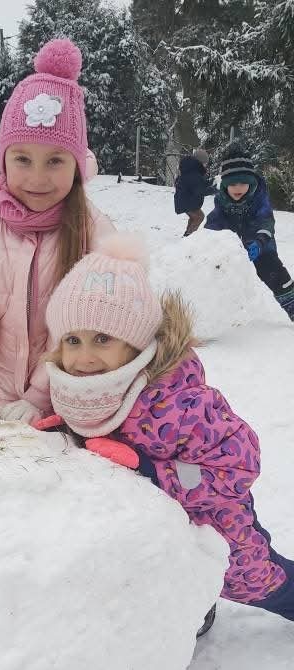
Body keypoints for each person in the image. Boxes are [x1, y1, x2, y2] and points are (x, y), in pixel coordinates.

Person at [34, 233, 294, 626]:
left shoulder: (176, 402)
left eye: (102, 339)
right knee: (173, 571)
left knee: (260, 581)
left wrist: (154, 471)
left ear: (135, 343)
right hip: (162, 532)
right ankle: (194, 603)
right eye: (73, 340)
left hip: (218, 526)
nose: (83, 358)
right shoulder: (81, 388)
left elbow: (240, 465)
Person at [0, 38, 115, 426]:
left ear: (77, 164)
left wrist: (41, 394)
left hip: (72, 400)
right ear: (3, 160)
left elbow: (89, 323)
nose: (37, 178)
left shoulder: (92, 231)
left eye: (55, 160)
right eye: (23, 159)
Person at [205, 147, 294, 320]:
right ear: (225, 184)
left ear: (251, 182)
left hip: (261, 244)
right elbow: (215, 220)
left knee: (273, 272)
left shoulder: (258, 198)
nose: (238, 188)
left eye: (243, 183)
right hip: (233, 248)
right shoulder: (221, 200)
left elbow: (266, 220)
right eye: (233, 184)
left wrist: (260, 242)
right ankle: (221, 313)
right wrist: (207, 239)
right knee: (223, 276)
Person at [174, 148, 216, 236]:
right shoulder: (194, 174)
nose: (205, 165)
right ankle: (189, 235)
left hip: (186, 200)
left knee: (194, 217)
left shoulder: (192, 170)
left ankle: (188, 234)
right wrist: (215, 189)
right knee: (199, 217)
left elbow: (201, 185)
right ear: (200, 162)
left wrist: (212, 181)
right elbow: (200, 191)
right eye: (205, 163)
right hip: (187, 201)